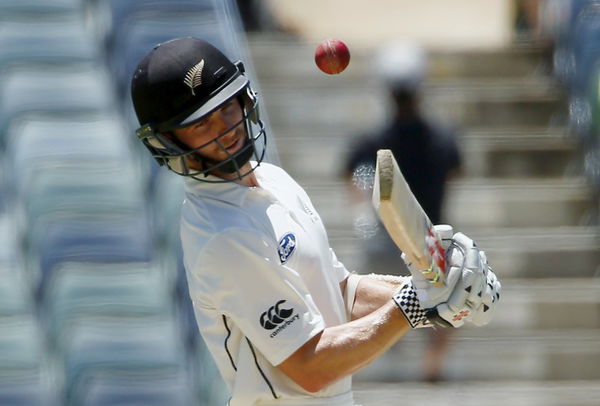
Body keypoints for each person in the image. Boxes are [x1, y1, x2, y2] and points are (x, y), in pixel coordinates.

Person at [130, 37, 501, 406]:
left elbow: (339, 292)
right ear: (169, 143)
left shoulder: (275, 180)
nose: (225, 128)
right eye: (201, 124)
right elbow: (310, 367)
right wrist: (412, 307)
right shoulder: (223, 234)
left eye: (227, 107)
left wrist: (436, 287)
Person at [343, 42, 462, 382]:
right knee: (453, 299)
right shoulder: (441, 136)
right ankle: (432, 365)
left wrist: (361, 210)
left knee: (375, 301)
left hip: (386, 237)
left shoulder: (373, 137)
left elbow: (356, 176)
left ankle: (370, 357)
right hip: (430, 236)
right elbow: (456, 171)